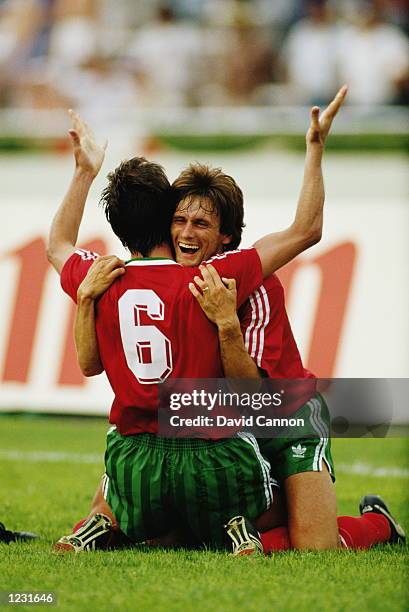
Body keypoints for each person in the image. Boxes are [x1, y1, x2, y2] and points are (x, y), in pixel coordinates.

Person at [47, 91, 340, 550]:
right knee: (168, 461)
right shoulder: (185, 281)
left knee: (316, 546)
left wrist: (316, 149)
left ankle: (374, 523)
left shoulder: (252, 282)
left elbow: (254, 397)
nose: (186, 232)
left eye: (201, 225)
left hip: (281, 414)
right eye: (178, 220)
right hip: (214, 422)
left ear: (226, 236)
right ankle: (186, 524)